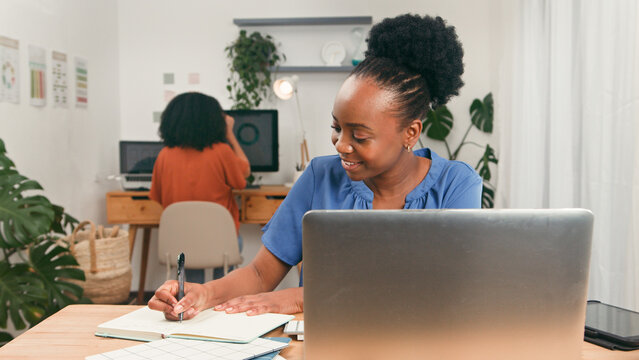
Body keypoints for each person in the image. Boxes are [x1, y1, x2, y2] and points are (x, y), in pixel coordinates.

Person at [149, 14, 482, 320]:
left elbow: (443, 288)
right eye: (337, 128)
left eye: (360, 136)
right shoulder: (320, 176)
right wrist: (204, 293)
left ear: (410, 133)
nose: (340, 145)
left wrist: (298, 299)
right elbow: (262, 274)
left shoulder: (456, 184)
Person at [149, 92, 250, 283]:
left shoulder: (164, 155)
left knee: (190, 259)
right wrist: (230, 135)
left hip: (182, 245)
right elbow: (243, 175)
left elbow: (161, 199)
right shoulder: (222, 151)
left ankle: (191, 299)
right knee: (228, 251)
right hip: (221, 246)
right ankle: (223, 297)